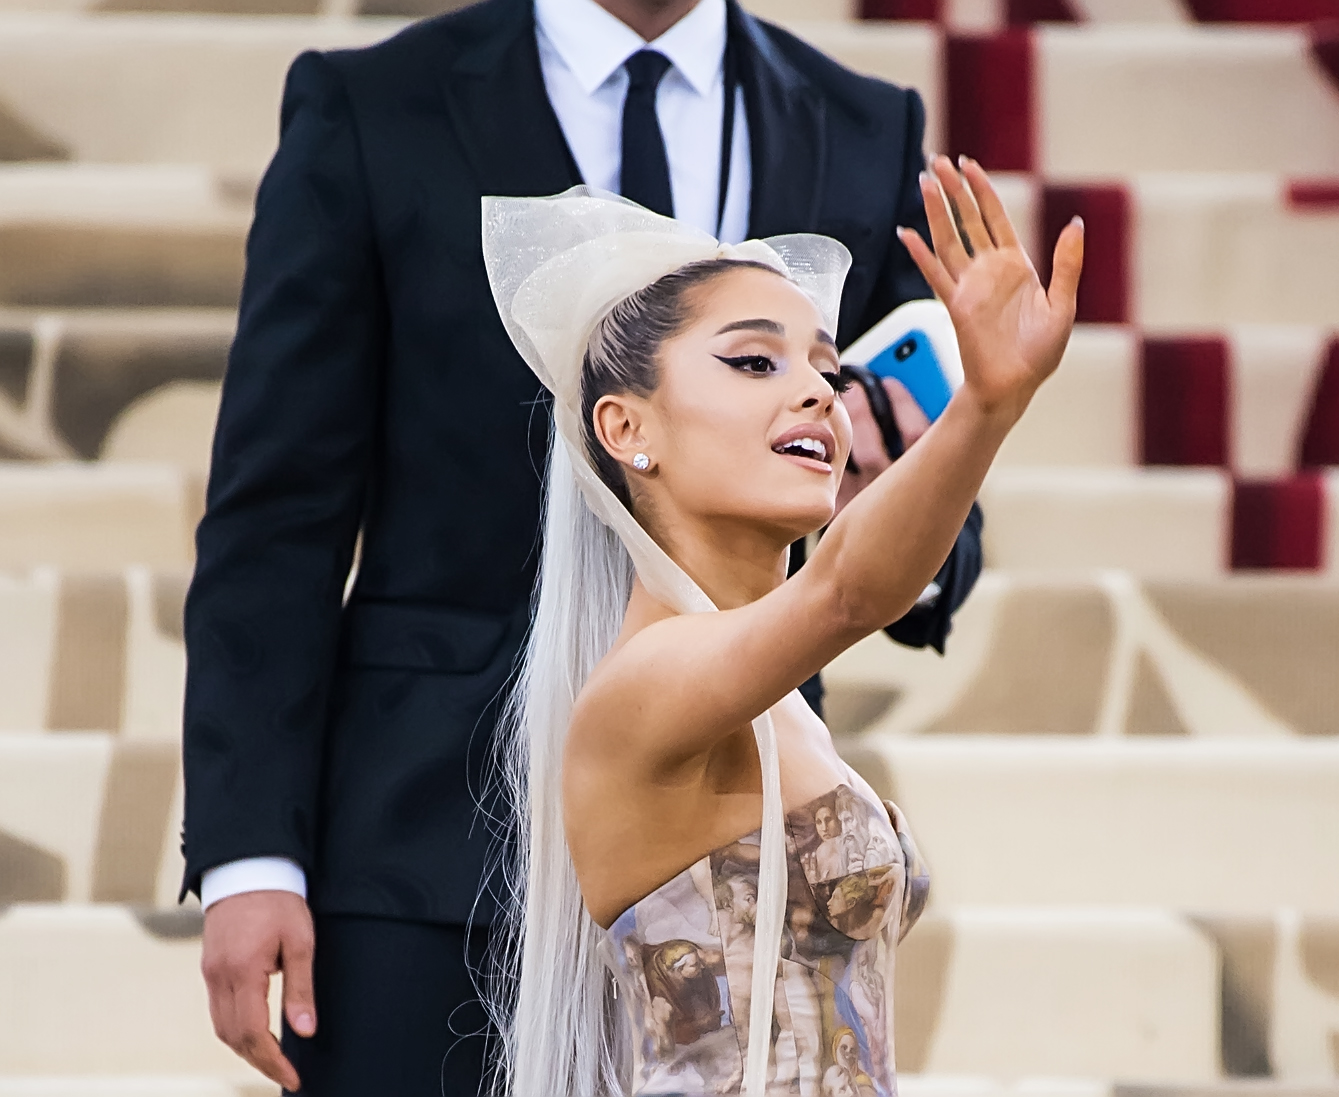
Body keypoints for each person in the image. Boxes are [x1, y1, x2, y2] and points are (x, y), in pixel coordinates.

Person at [182, 0, 983, 1093]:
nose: (806, 383)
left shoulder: (862, 123)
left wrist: (898, 498)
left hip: (744, 853)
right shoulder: (371, 106)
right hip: (426, 858)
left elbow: (896, 509)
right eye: (757, 360)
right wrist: (249, 853)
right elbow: (277, 510)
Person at [482, 154, 1082, 1095]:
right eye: (755, 360)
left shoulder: (779, 699)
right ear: (625, 428)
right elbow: (845, 593)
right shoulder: (644, 683)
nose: (816, 393)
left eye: (825, 367)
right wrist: (985, 407)